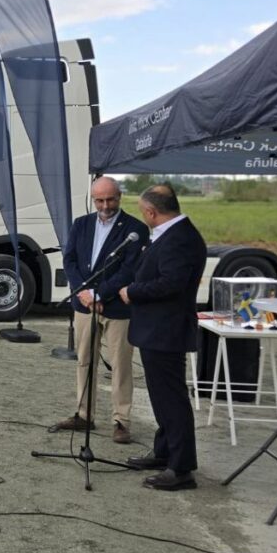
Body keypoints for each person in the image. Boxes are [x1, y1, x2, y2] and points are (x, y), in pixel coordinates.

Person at [119, 184, 207, 491]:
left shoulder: (180, 239)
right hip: (156, 329)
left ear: (151, 212)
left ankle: (181, 468)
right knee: (161, 396)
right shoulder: (171, 234)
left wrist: (133, 291)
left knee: (171, 399)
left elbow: (171, 283)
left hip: (166, 329)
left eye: (143, 211)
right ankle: (164, 451)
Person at [53, 177, 148, 444]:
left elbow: (130, 269)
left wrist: (99, 293)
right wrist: (85, 294)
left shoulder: (135, 229)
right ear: (92, 199)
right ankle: (84, 414)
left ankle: (121, 420)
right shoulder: (81, 224)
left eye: (110, 199)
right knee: (85, 361)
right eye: (99, 200)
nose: (105, 205)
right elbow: (69, 260)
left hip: (117, 307)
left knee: (120, 365)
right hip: (84, 305)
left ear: (120, 197)